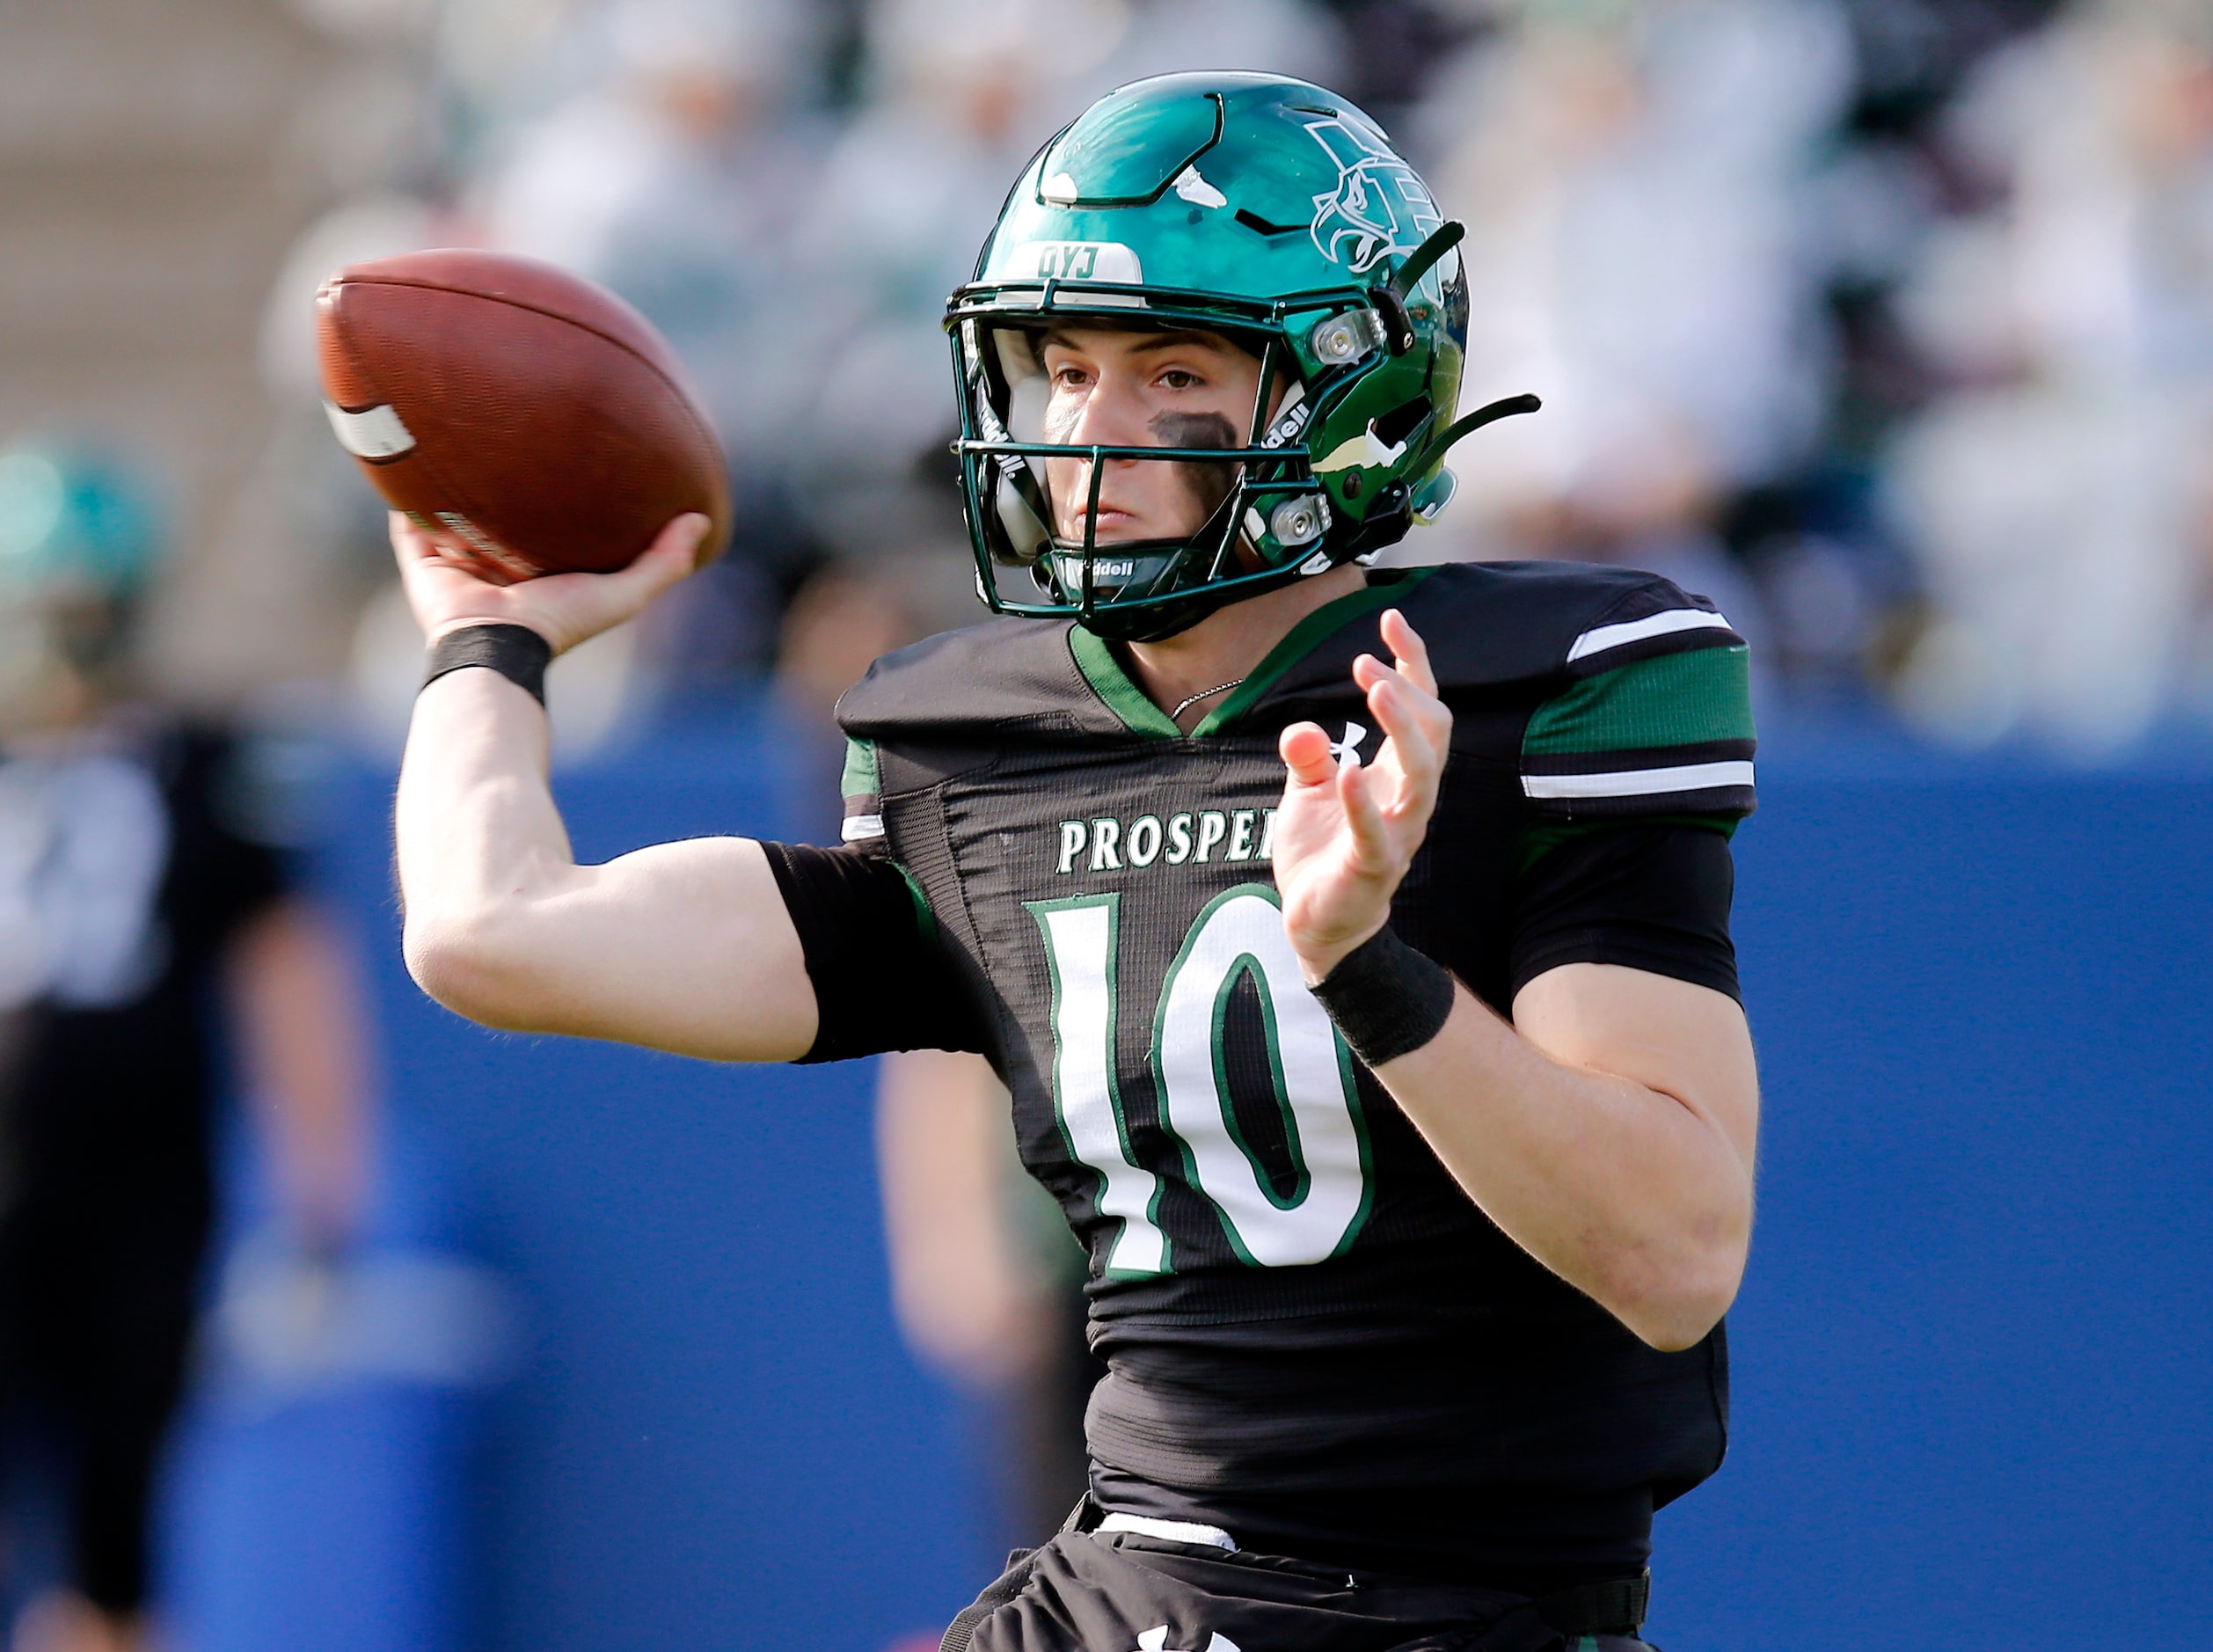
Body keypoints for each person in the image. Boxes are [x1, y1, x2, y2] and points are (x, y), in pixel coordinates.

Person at [390, 74, 1759, 1652]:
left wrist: (1374, 970)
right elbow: (488, 931)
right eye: (1058, 367)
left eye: (1168, 368)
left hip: (1452, 1612)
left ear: (1349, 393)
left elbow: (1672, 1253)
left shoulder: (1545, 684)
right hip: (1126, 1588)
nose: (1084, 435)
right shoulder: (974, 744)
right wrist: (485, 635)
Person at [0, 447, 370, 1652]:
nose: (75, 635)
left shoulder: (207, 761)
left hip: (142, 1197)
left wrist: (320, 1207)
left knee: (119, 1540)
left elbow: (291, 981)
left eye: (91, 605)